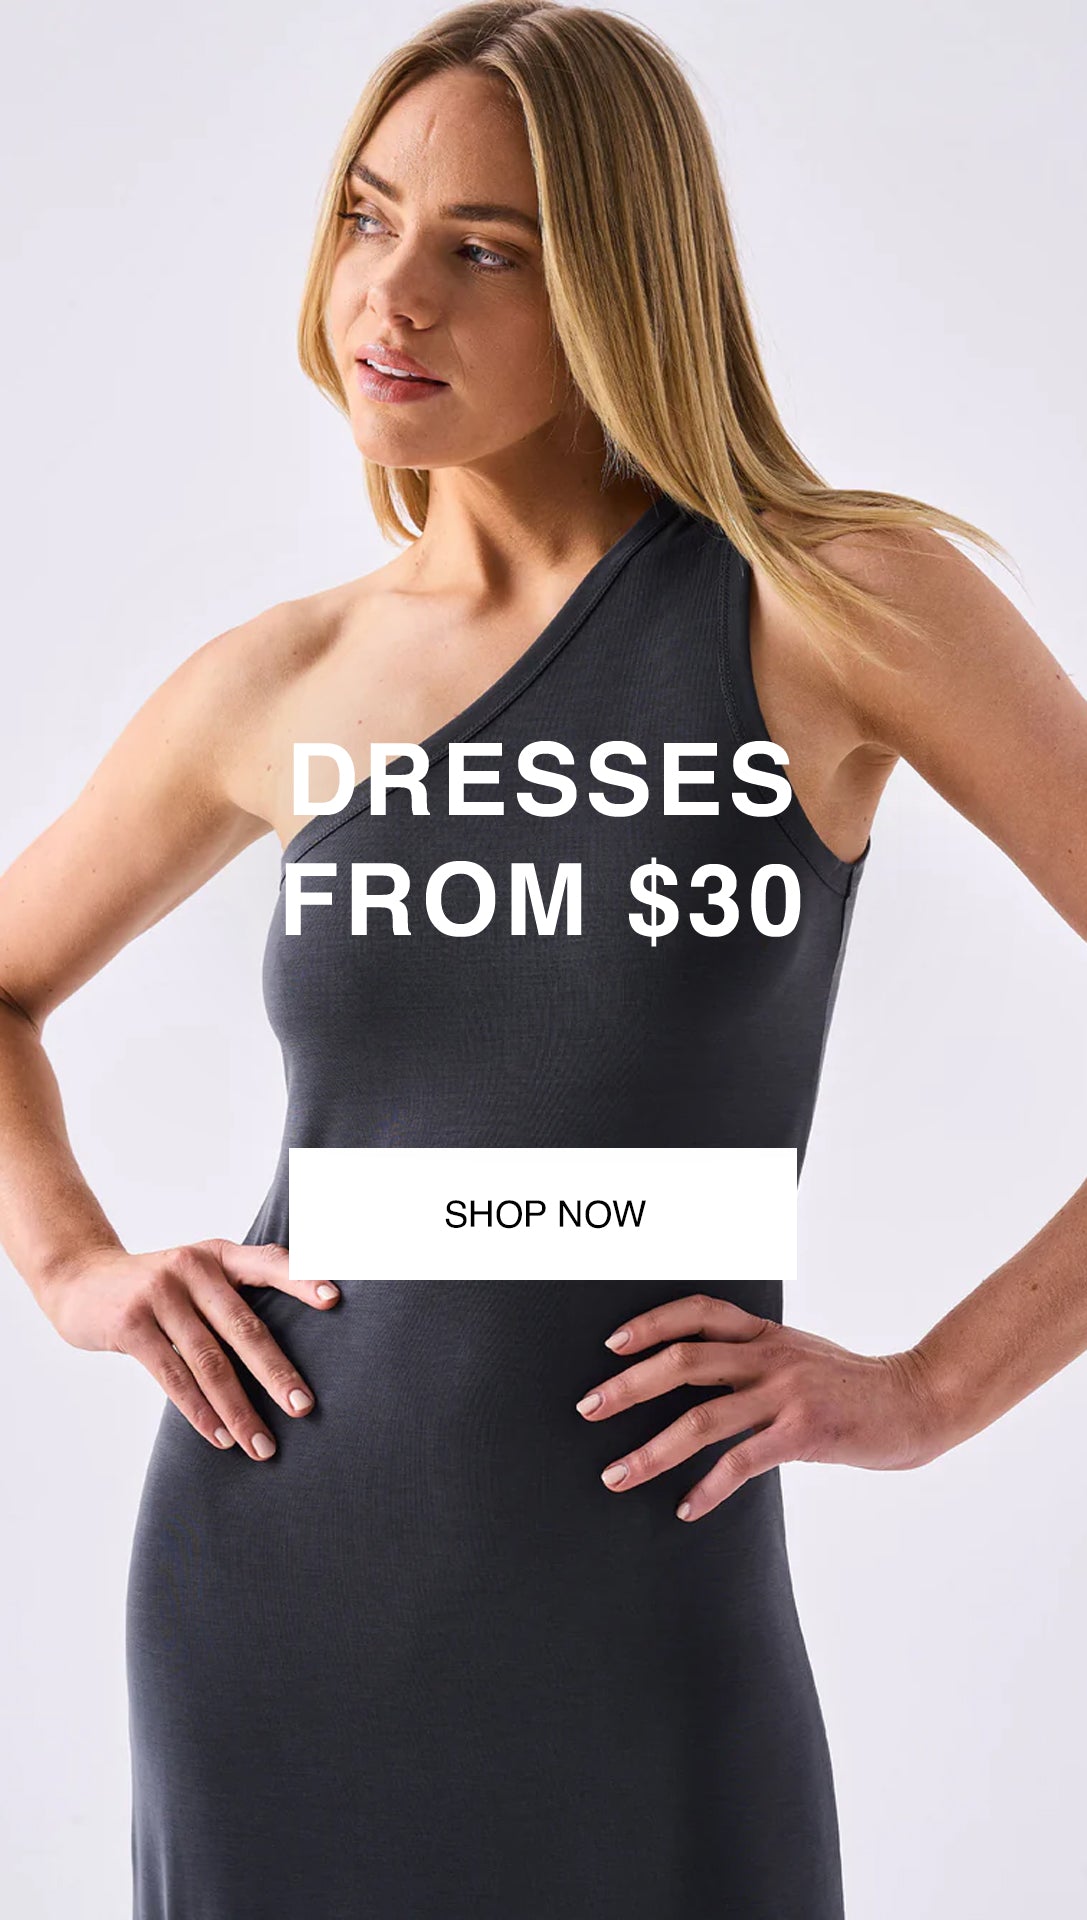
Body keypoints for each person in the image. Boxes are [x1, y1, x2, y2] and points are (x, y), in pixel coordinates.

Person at [1, 4, 1084, 1915]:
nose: (392, 294)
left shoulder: (829, 604)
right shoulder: (283, 679)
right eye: (368, 216)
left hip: (646, 1609)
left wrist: (930, 1393)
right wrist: (76, 1265)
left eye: (485, 249)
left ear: (620, 281)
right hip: (273, 1594)